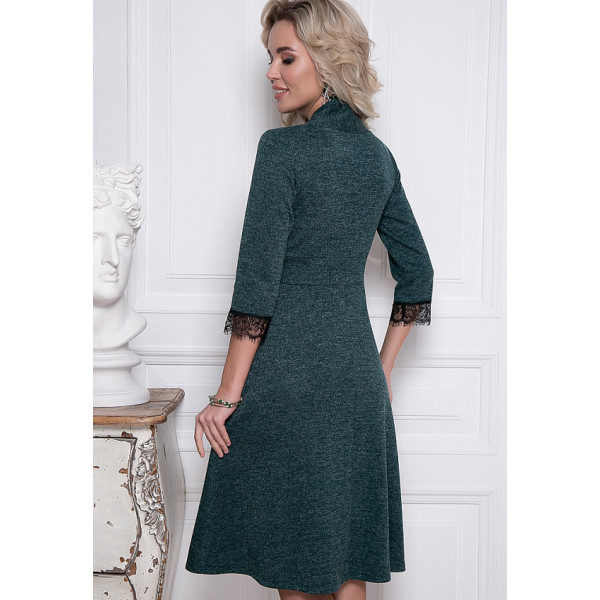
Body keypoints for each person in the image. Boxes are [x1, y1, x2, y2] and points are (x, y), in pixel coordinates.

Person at [185, 1, 434, 599]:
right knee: (348, 561)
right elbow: (418, 274)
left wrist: (225, 397)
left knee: (293, 564)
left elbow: (256, 287)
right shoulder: (377, 158)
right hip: (355, 385)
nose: (271, 71)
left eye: (286, 57)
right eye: (270, 58)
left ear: (327, 61)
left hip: (286, 382)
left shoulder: (282, 151)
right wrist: (380, 371)